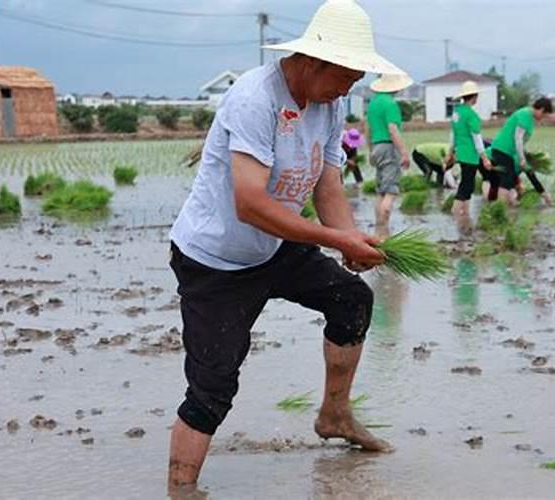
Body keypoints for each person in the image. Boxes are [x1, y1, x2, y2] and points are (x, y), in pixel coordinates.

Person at [167, 0, 406, 490]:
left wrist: (349, 241)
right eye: (348, 75)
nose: (352, 87)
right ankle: (179, 486)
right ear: (316, 61)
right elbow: (249, 204)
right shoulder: (256, 98)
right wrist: (332, 236)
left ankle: (334, 417)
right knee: (212, 388)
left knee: (351, 298)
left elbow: (328, 185)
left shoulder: (331, 103)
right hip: (216, 260)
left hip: (275, 246)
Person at [487, 97, 555, 207]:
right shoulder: (525, 115)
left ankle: (502, 207)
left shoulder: (528, 117)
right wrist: (522, 158)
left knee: (507, 181)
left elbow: (530, 174)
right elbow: (518, 138)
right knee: (506, 181)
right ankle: (499, 209)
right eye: (544, 115)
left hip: (507, 151)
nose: (543, 118)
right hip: (503, 149)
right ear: (541, 109)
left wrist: (544, 195)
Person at [366, 73, 413, 227]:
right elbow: (393, 129)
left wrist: (370, 151)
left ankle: (378, 228)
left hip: (376, 147)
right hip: (389, 148)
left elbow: (367, 129)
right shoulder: (390, 104)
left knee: (381, 191)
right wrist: (404, 153)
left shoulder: (373, 103)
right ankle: (384, 231)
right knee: (391, 190)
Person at [445, 81, 494, 216]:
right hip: (470, 155)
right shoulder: (472, 116)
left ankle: (464, 213)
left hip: (461, 154)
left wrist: (450, 153)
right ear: (474, 97)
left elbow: (453, 135)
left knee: (467, 185)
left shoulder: (457, 113)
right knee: (466, 186)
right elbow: (477, 139)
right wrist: (485, 159)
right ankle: (455, 212)